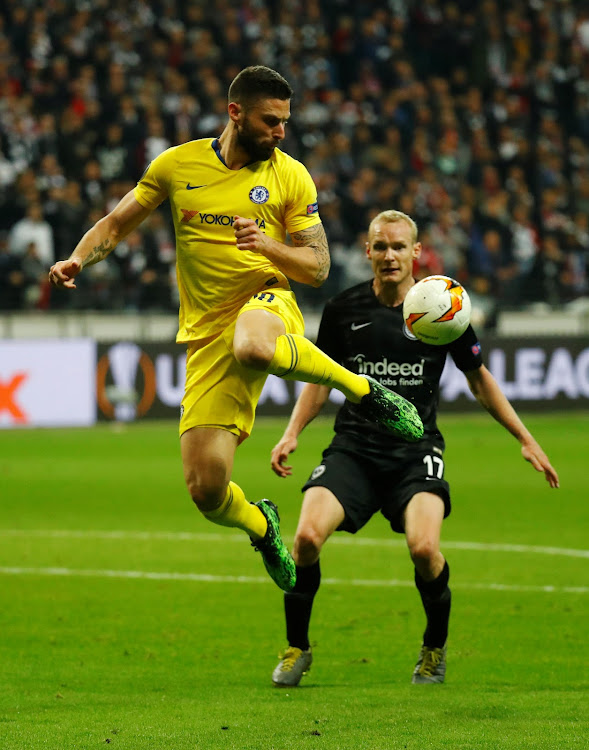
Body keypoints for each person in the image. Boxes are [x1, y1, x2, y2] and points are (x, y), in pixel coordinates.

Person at [48, 67, 423, 595]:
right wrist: (77, 260)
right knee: (206, 488)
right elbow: (114, 224)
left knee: (253, 344)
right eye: (271, 121)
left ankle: (364, 390)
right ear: (236, 113)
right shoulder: (177, 167)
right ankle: (262, 527)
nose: (280, 132)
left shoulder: (291, 175)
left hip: (266, 302)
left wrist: (267, 245)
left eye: (285, 122)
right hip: (206, 334)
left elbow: (317, 267)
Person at [270, 209, 559, 684]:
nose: (389, 256)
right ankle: (296, 648)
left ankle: (433, 650)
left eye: (398, 247)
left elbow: (479, 380)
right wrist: (292, 432)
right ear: (367, 251)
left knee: (424, 549)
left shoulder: (442, 309)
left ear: (416, 252)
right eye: (380, 247)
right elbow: (320, 381)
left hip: (416, 450)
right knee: (303, 539)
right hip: (354, 448)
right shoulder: (344, 311)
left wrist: (525, 438)